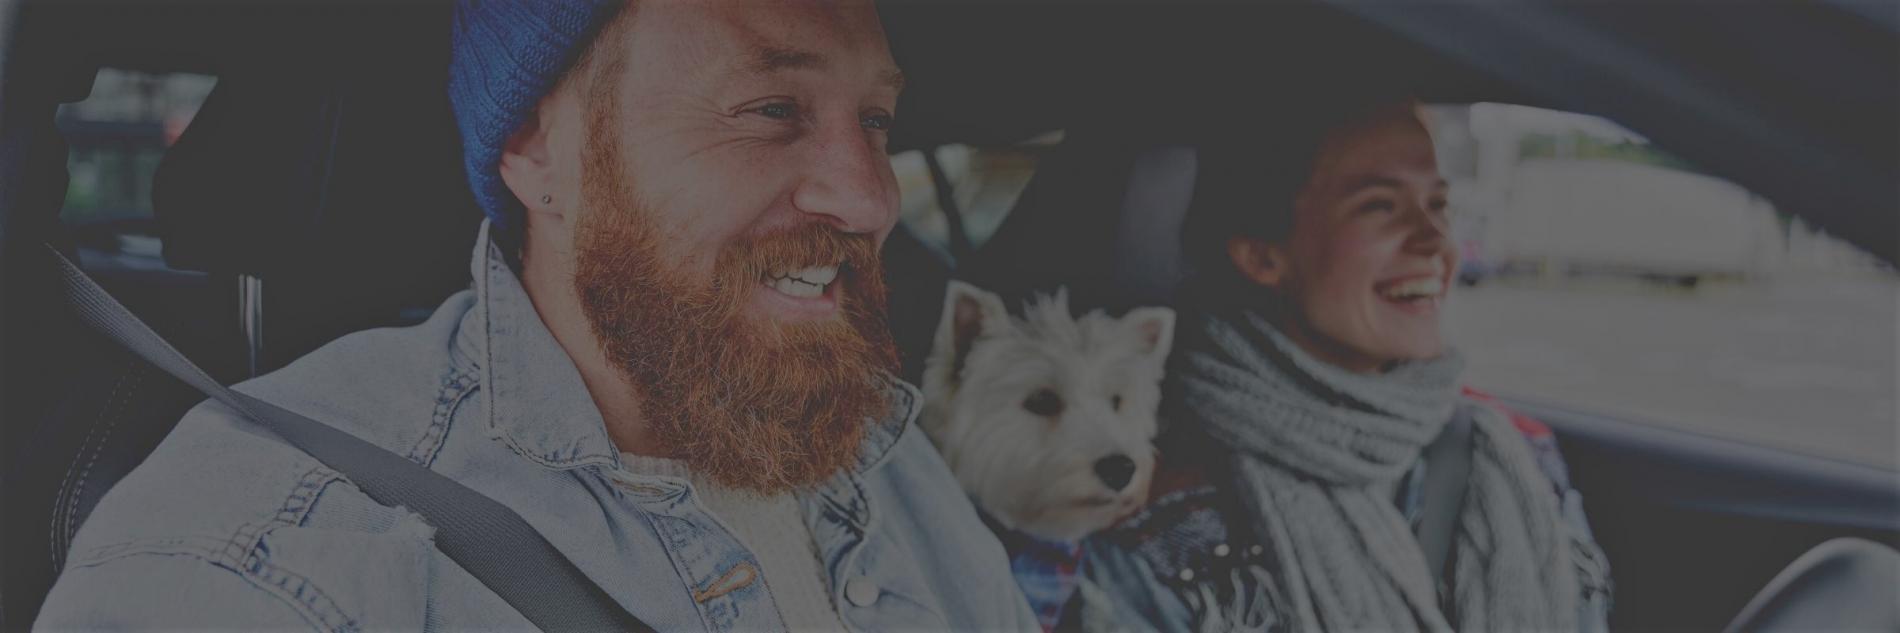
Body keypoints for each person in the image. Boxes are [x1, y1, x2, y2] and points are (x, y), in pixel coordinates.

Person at [35, 1, 1039, 630]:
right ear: (538, 152)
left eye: (876, 123)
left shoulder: (883, 457)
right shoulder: (263, 554)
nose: (870, 200)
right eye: (771, 111)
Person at [1075, 97, 1615, 632]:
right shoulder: (1160, 506)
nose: (1436, 243)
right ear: (1262, 256)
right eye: (1380, 205)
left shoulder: (1509, 453)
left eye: (1438, 205)